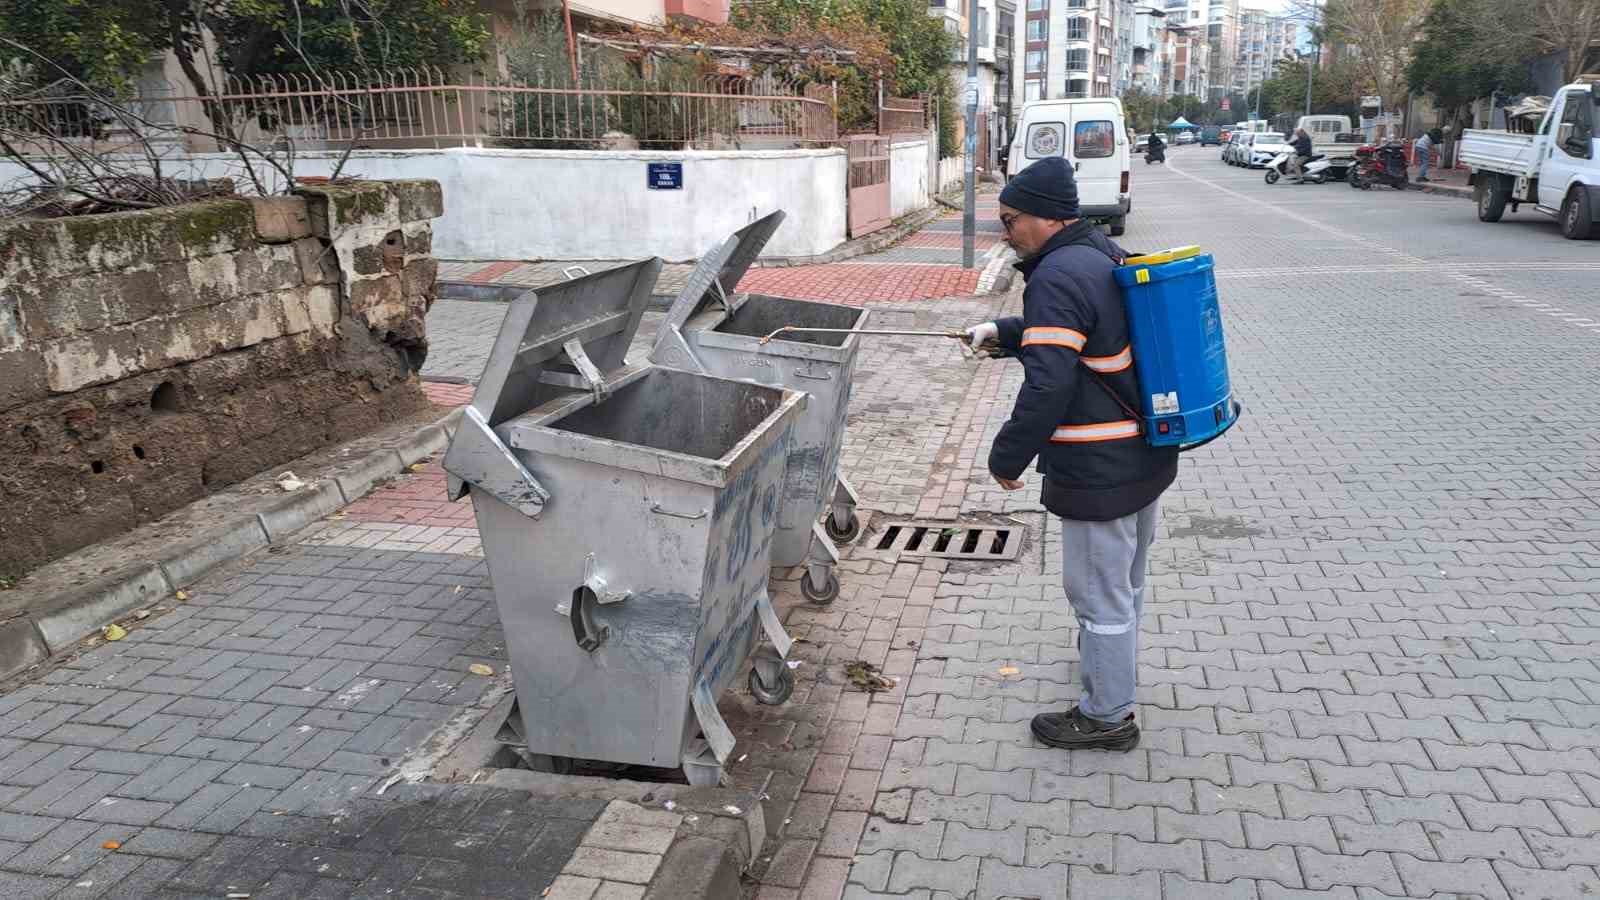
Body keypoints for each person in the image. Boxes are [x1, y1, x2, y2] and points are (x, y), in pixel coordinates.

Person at [962, 157, 1179, 752]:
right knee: (1125, 582)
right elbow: (1087, 334)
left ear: (1045, 219)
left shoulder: (1056, 275)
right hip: (1143, 455)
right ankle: (1109, 669)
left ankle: (1107, 716)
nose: (1006, 233)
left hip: (1097, 466)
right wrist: (1004, 333)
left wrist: (1006, 457)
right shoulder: (1101, 254)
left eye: (1010, 220)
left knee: (1097, 591)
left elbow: (1050, 383)